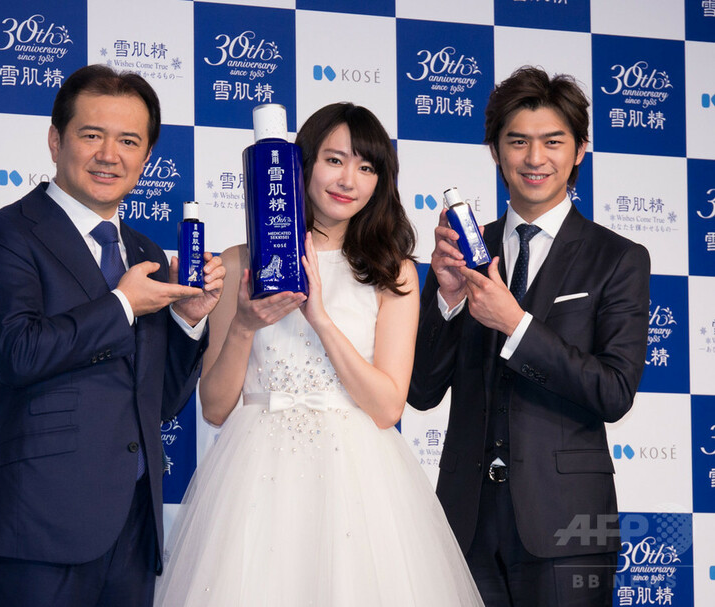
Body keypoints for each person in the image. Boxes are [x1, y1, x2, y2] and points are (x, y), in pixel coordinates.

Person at [154, 102, 483, 606]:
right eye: (334, 160)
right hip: (253, 479)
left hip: (358, 480)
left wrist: (321, 319)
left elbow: (388, 407)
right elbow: (215, 408)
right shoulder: (241, 261)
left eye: (366, 167)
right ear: (300, 164)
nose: (348, 179)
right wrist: (244, 323)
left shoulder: (392, 271)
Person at [0, 64, 225, 607]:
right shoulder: (5, 235)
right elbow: (18, 353)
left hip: (132, 528)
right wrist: (123, 304)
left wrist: (187, 320)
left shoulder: (147, 253)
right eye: (91, 135)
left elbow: (159, 402)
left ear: (146, 158)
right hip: (36, 527)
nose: (110, 155)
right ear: (55, 140)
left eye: (129, 141)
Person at [408, 66, 651, 606]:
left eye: (553, 142)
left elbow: (614, 391)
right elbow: (420, 391)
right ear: (495, 152)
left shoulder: (618, 259)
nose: (534, 158)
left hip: (570, 524)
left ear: (580, 150)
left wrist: (515, 324)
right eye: (517, 141)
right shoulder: (466, 250)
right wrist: (447, 299)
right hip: (465, 522)